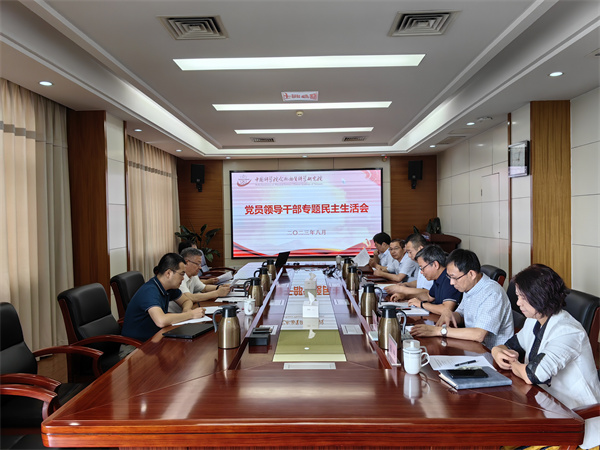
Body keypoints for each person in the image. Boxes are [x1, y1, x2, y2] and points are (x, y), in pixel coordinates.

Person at [492, 265, 600, 450]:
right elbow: (510, 345)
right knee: (499, 441)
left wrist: (513, 364)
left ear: (539, 297)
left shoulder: (568, 330)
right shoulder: (534, 321)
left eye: (522, 297)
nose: (518, 303)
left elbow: (534, 374)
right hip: (546, 412)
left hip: (577, 424)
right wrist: (496, 350)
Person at [411, 248, 513, 349]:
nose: (451, 282)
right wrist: (450, 314)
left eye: (454, 277)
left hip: (492, 353)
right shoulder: (469, 286)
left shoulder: (492, 293)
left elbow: (479, 334)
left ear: (471, 274)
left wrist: (438, 331)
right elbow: (461, 315)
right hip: (472, 346)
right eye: (449, 277)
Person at [121, 253, 206, 345]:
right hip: (135, 346)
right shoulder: (150, 290)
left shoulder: (168, 287)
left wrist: (186, 310)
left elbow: (186, 301)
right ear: (168, 273)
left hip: (155, 339)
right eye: (182, 274)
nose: (183, 278)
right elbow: (161, 321)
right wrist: (190, 314)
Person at [393, 244, 461, 315]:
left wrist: (421, 304)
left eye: (422, 268)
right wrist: (405, 296)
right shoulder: (438, 278)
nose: (421, 272)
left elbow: (446, 309)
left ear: (435, 265)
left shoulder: (449, 279)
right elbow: (428, 296)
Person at [168, 247, 231, 313]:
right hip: (174, 314)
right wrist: (217, 293)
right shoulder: (178, 276)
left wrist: (219, 287)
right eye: (197, 264)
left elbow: (204, 288)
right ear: (186, 262)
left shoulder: (193, 275)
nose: (200, 267)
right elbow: (189, 297)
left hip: (186, 312)